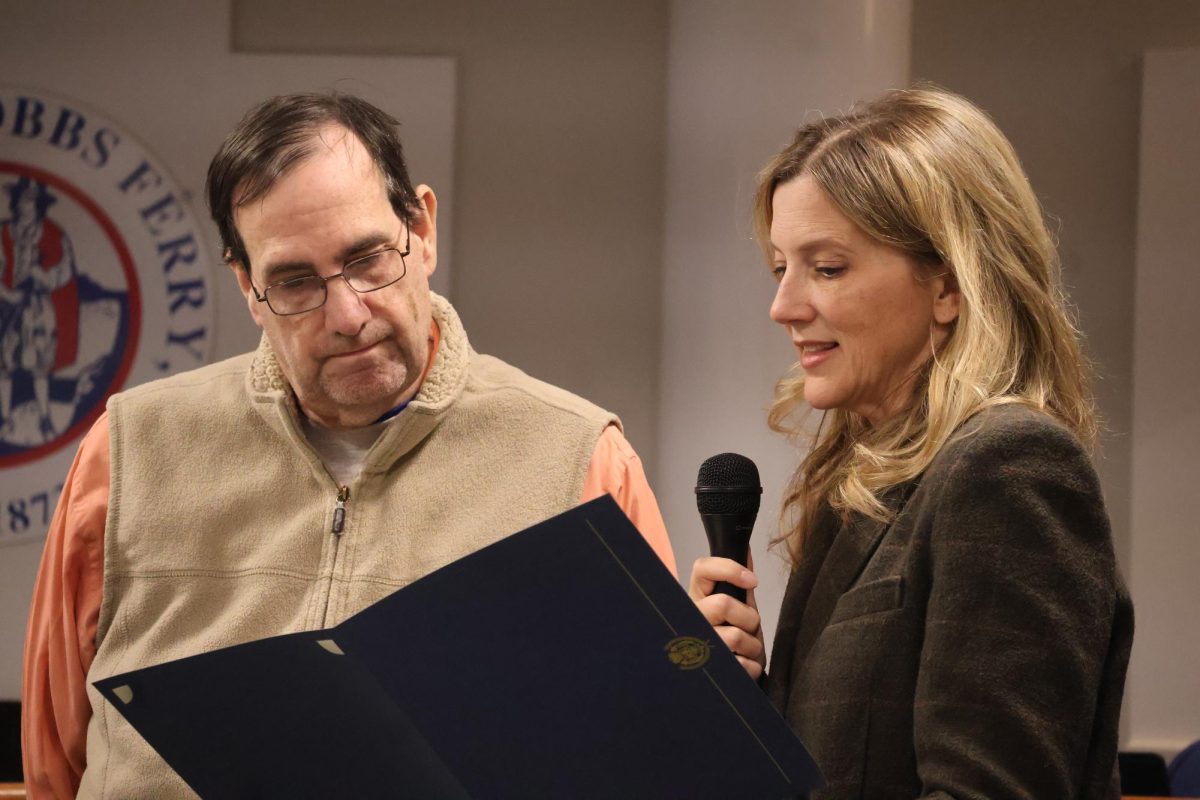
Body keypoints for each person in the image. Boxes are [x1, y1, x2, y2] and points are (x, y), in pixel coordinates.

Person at [22, 92, 675, 799]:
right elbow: (55, 765)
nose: (348, 314)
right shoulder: (130, 451)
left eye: (368, 260)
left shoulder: (577, 460)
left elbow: (649, 758)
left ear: (422, 228)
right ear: (247, 286)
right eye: (295, 281)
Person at [689, 86, 1133, 799]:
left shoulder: (1009, 466)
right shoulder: (859, 489)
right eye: (780, 268)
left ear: (951, 285)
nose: (782, 307)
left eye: (827, 267)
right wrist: (746, 702)